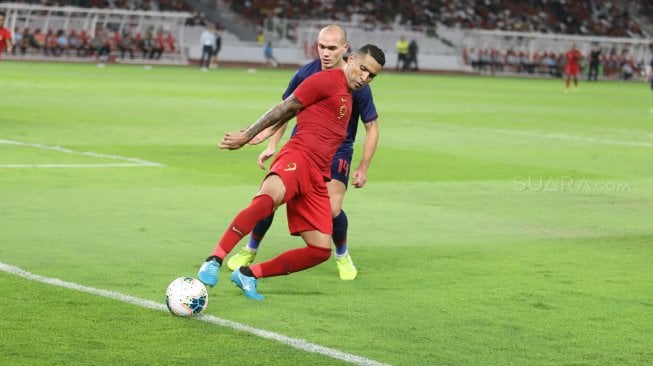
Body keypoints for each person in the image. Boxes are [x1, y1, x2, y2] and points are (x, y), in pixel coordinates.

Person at [197, 44, 386, 300]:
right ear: (351, 59)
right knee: (266, 201)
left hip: (319, 175)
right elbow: (285, 107)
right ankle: (214, 259)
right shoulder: (323, 80)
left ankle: (248, 274)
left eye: (371, 75)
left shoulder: (350, 93)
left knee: (320, 250)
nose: (365, 77)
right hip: (298, 156)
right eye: (363, 69)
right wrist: (248, 135)